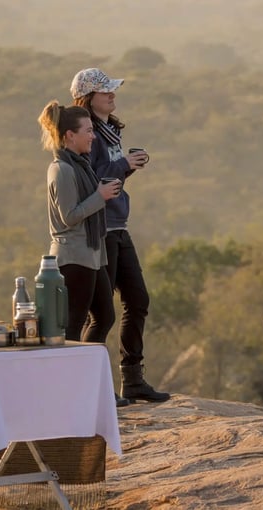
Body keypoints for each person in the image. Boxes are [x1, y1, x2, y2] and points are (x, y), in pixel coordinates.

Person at [70, 68, 170, 403]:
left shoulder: (110, 130)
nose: (112, 96)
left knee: (138, 299)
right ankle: (90, 385)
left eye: (112, 91)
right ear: (88, 98)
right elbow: (92, 178)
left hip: (118, 225)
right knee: (102, 314)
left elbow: (111, 182)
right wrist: (124, 165)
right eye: (105, 92)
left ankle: (133, 378)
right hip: (101, 230)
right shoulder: (87, 134)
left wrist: (128, 165)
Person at [37, 100, 130, 407]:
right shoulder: (61, 169)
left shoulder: (81, 165)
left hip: (92, 254)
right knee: (74, 325)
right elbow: (69, 216)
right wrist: (101, 196)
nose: (93, 136)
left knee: (104, 316)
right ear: (68, 136)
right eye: (88, 131)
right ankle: (74, 392)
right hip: (72, 257)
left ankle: (88, 386)